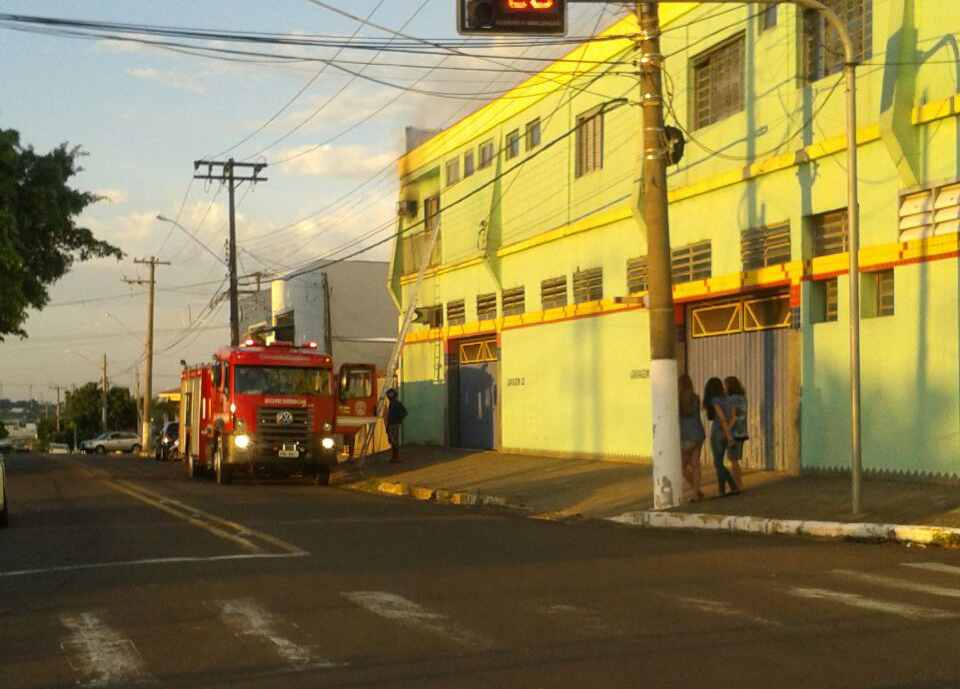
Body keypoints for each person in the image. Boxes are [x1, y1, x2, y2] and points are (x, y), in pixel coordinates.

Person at [703, 377, 738, 496]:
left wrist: (726, 433)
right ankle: (721, 490)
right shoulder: (728, 399)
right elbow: (733, 417)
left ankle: (733, 486)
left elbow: (721, 418)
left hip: (717, 432)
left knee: (718, 463)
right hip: (727, 431)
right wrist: (729, 431)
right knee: (720, 462)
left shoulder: (715, 400)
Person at [678, 374, 705, 501]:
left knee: (682, 466)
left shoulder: (677, 400)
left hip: (685, 436)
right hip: (698, 434)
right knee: (695, 464)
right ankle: (695, 493)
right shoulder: (696, 398)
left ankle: (696, 490)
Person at [724, 376, 749, 493]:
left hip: (734, 432)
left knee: (733, 459)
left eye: (726, 385)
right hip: (743, 431)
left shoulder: (731, 399)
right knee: (735, 459)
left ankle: (737, 485)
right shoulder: (743, 398)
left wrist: (726, 429)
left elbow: (732, 416)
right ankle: (739, 483)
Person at [385, 388, 407, 464]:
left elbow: (404, 412)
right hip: (393, 424)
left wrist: (397, 419)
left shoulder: (395, 403)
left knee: (394, 441)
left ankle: (396, 457)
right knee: (393, 441)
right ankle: (394, 457)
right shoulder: (394, 403)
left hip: (393, 424)